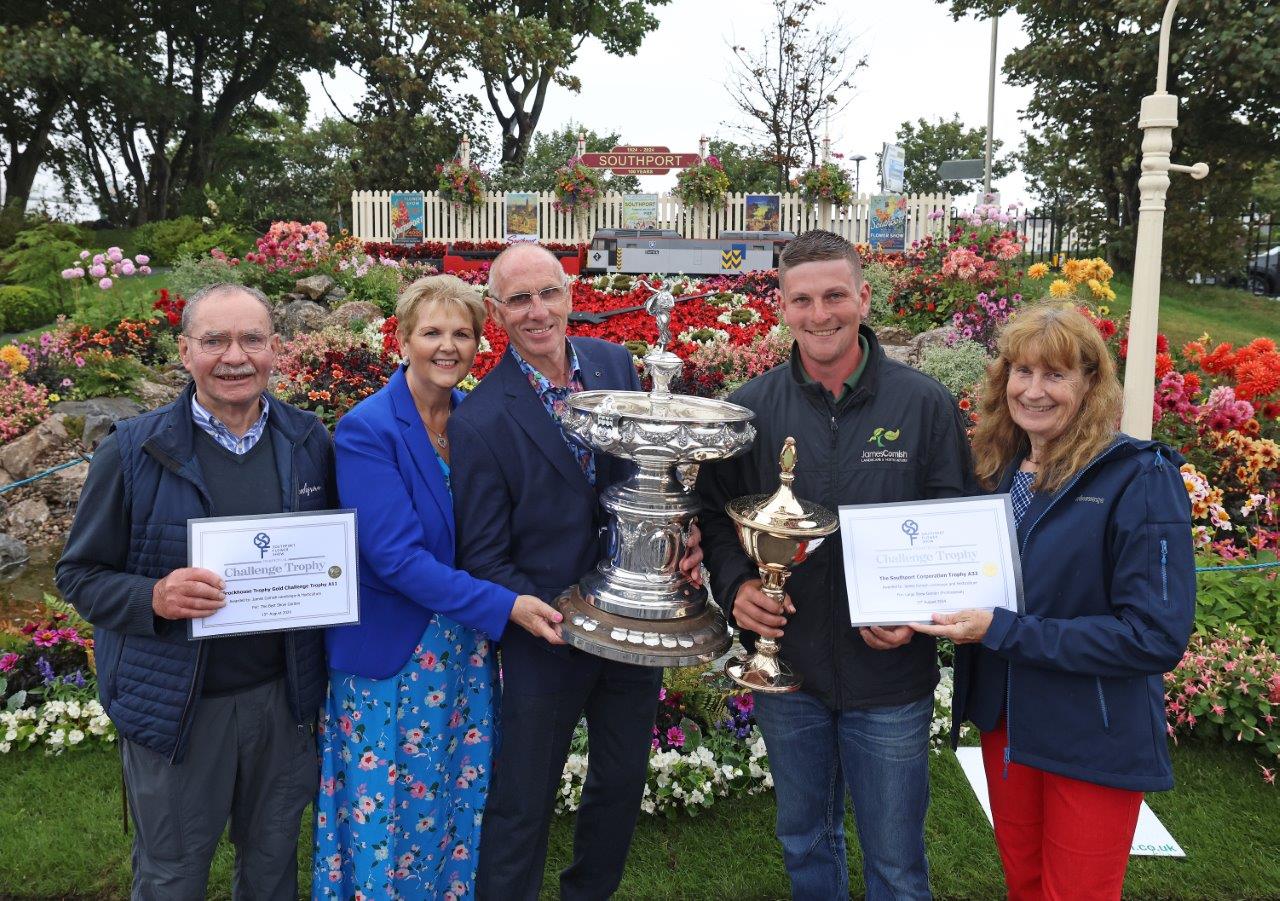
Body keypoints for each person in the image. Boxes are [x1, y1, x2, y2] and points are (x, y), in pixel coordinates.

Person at [696, 230, 976, 901]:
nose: (820, 313)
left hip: (889, 676)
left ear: (863, 296)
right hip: (787, 671)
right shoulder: (751, 407)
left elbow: (953, 527)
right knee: (804, 840)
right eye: (803, 299)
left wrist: (915, 615)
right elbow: (711, 513)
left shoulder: (922, 402)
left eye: (834, 295)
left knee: (897, 863)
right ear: (782, 307)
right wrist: (736, 588)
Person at [56, 283, 334, 899]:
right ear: (185, 352)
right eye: (214, 340)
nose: (234, 356)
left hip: (280, 705)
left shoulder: (308, 440)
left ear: (275, 349)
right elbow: (77, 575)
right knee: (172, 874)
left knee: (271, 868)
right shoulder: (134, 449)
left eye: (251, 339)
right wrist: (151, 597)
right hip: (179, 710)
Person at [911, 303, 1195, 900]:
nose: (1033, 391)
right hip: (1005, 723)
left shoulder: (1138, 478)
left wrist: (1004, 630)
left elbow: (1155, 636)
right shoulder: (997, 469)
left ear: (1091, 384)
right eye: (1021, 371)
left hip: (1090, 730)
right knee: (1025, 884)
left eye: (1056, 375)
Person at [448, 243, 703, 900]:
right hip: (547, 633)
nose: (538, 312)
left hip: (629, 622)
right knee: (523, 801)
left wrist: (677, 534)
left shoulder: (614, 363)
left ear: (569, 295)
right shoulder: (478, 418)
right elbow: (482, 554)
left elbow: (645, 471)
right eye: (520, 299)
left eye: (549, 293)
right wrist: (536, 609)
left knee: (619, 785)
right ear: (496, 312)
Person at [312, 275, 564, 898]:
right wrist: (506, 604)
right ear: (402, 340)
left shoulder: (475, 419)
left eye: (463, 333)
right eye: (432, 333)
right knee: (387, 814)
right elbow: (396, 558)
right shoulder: (368, 429)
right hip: (393, 659)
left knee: (457, 801)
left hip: (464, 656)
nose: (447, 346)